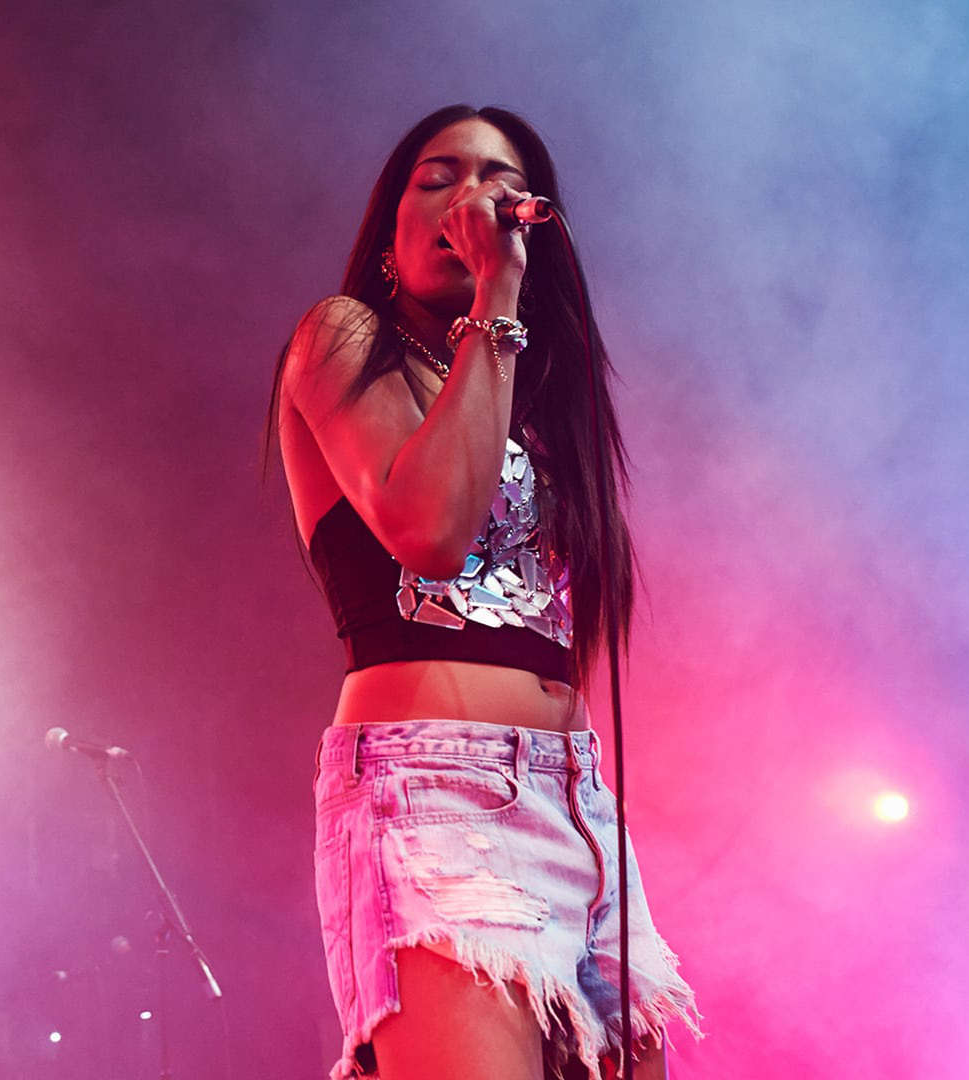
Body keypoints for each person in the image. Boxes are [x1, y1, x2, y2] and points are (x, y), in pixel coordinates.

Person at [269, 105, 703, 1079]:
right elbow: (428, 532)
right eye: (438, 176)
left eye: (497, 182)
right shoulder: (344, 338)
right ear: (389, 230)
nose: (469, 200)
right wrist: (497, 300)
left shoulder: (528, 393)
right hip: (440, 795)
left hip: (577, 803)